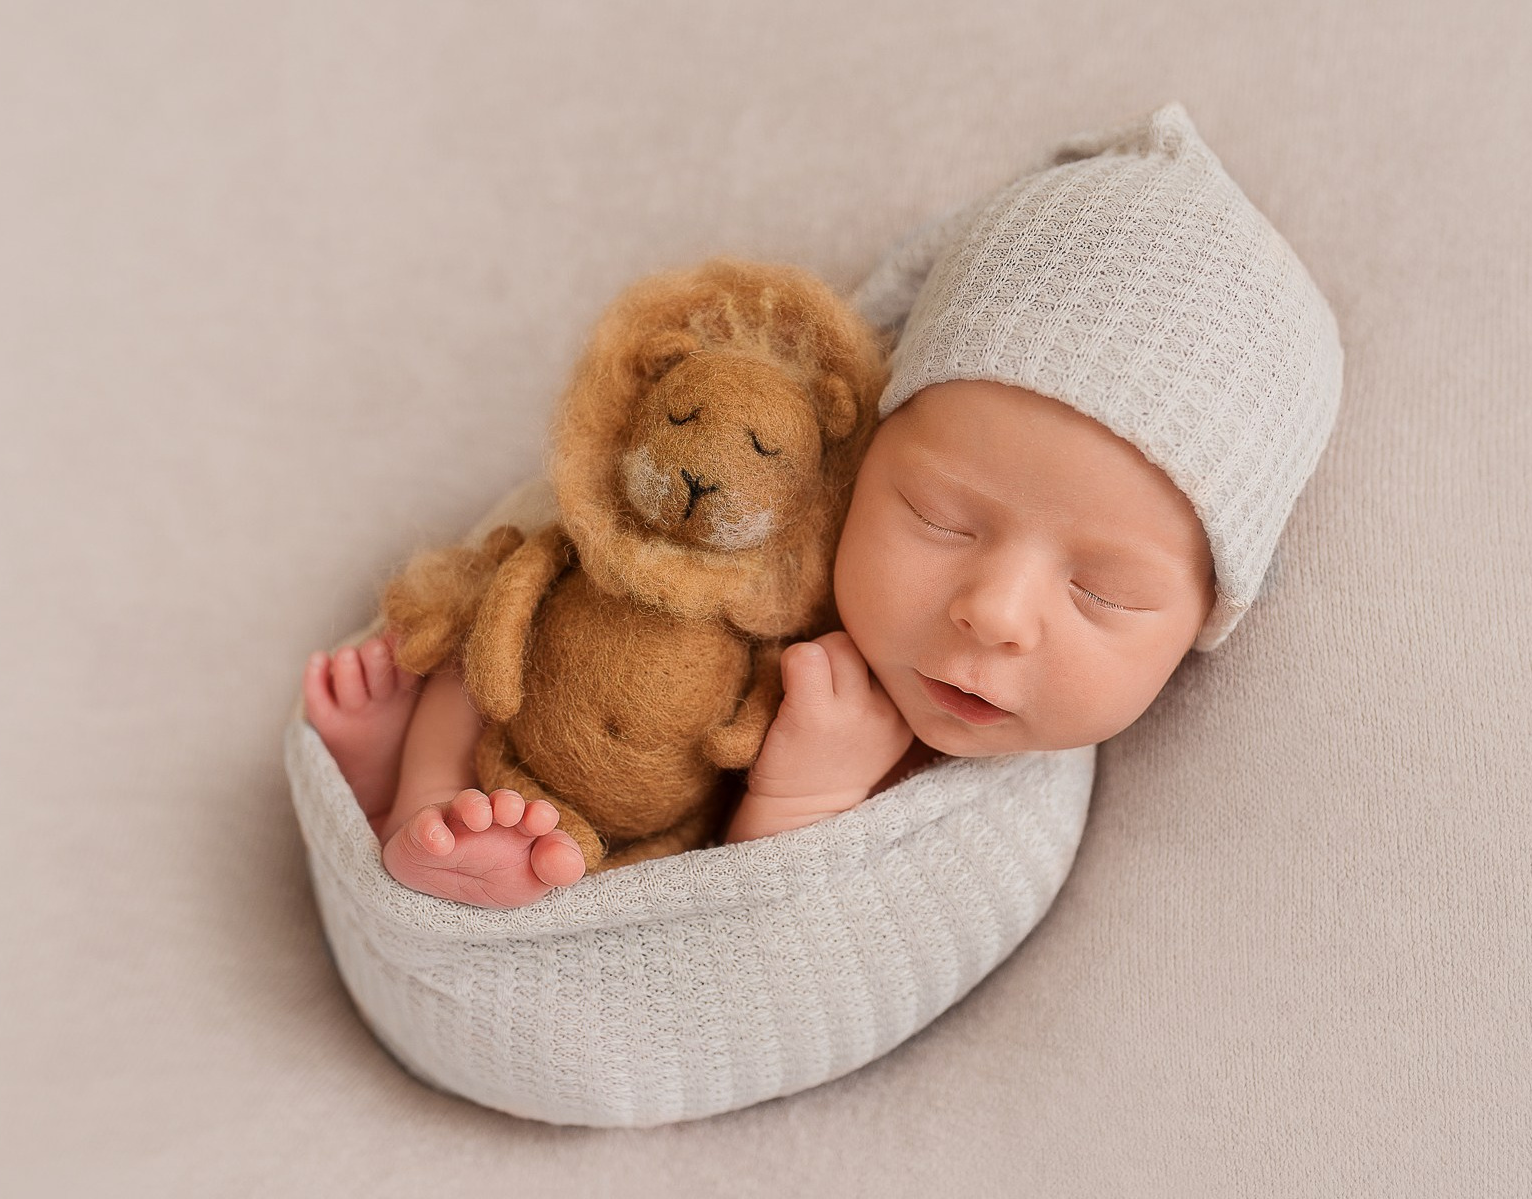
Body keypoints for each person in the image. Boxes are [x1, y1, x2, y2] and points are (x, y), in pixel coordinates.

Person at [302, 102, 1343, 909]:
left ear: (1210, 615)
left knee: (571, 854)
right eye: (939, 516)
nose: (994, 611)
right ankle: (415, 784)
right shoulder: (787, 540)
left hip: (631, 866)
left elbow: (750, 954)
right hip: (553, 749)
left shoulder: (984, 789)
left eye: (1105, 592)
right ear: (870, 443)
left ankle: (458, 842)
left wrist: (800, 799)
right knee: (529, 618)